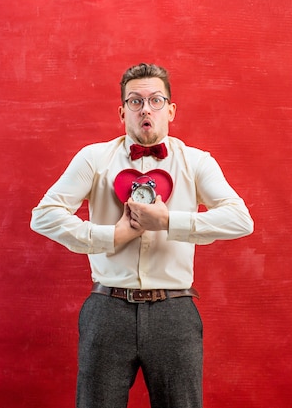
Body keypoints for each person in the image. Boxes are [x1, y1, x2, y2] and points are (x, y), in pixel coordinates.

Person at [30, 63, 254, 408]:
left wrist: (169, 222)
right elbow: (43, 216)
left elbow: (241, 220)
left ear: (171, 110)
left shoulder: (196, 162)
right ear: (122, 112)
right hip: (107, 309)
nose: (145, 109)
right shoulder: (93, 159)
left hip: (174, 311)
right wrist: (111, 236)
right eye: (135, 102)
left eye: (155, 100)